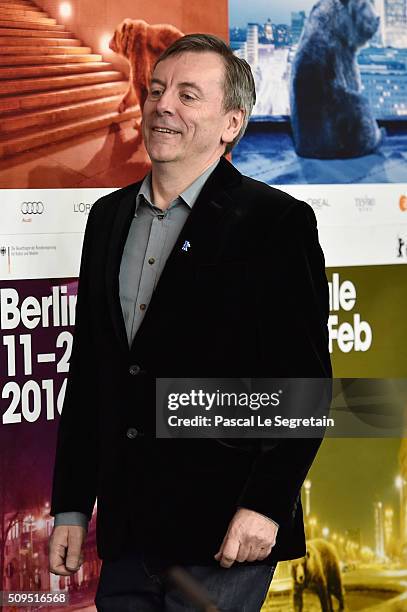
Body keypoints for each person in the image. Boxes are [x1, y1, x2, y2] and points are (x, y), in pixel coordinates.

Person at [48, 33, 332, 611]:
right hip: (127, 535)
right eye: (156, 91)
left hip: (225, 534)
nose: (163, 107)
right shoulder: (105, 220)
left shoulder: (277, 223)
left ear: (232, 123)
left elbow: (304, 385)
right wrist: (73, 506)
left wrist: (265, 506)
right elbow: (90, 376)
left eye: (187, 95)